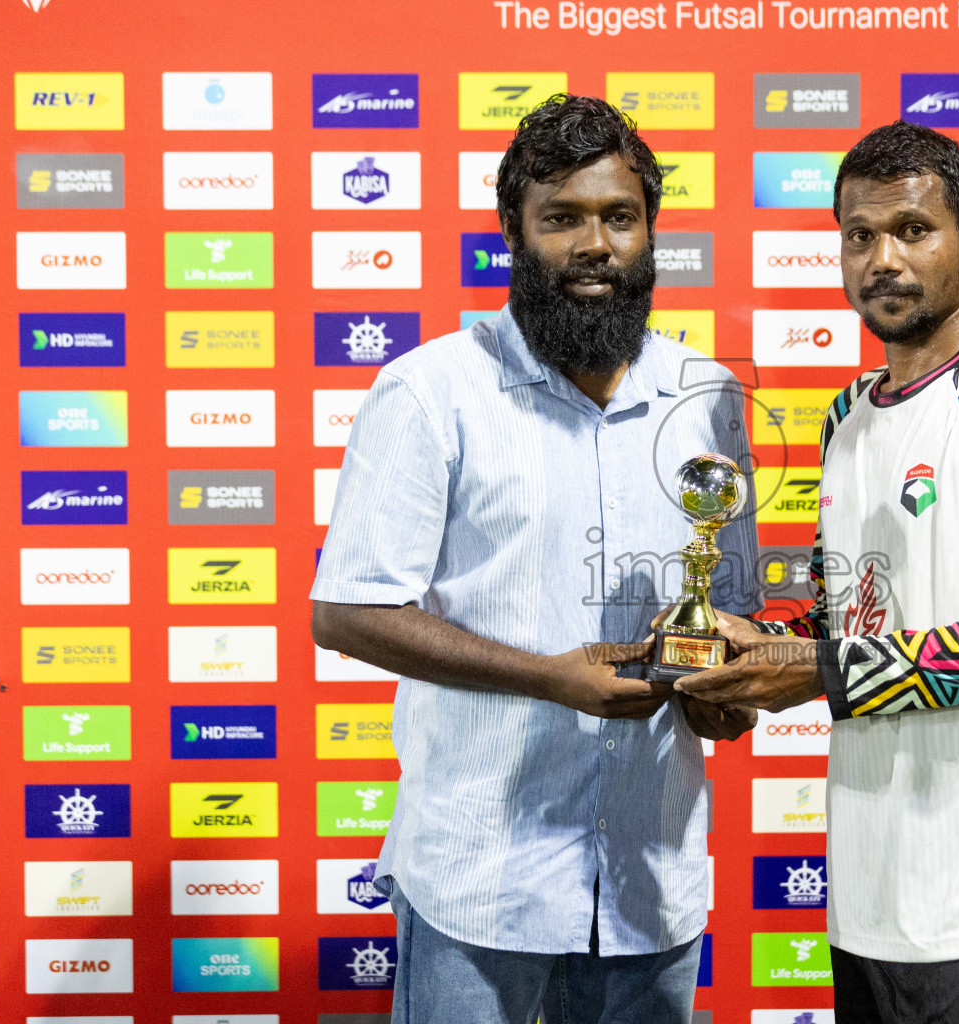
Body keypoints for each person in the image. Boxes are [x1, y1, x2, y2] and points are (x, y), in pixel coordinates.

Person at [310, 94, 761, 1024]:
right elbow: (348, 610)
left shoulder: (708, 397)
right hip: (482, 884)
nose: (594, 244)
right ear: (515, 231)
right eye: (562, 218)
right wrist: (546, 678)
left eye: (618, 217)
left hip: (651, 885)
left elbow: (727, 612)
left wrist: (727, 690)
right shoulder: (431, 392)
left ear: (649, 234)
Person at [677, 120, 959, 1023]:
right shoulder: (847, 413)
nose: (883, 258)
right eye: (859, 235)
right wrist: (754, 652)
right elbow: (850, 622)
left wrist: (823, 671)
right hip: (874, 896)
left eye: (913, 231)